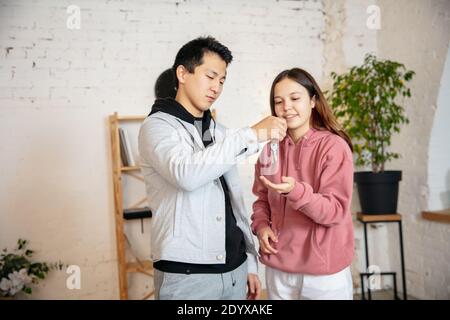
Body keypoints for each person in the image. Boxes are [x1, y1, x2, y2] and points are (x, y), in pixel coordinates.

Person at [138, 36, 287, 300]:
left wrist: (250, 263)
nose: (216, 87)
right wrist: (251, 133)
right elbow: (186, 174)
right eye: (211, 76)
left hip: (235, 270)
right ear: (182, 73)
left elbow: (234, 202)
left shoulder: (218, 131)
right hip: (188, 277)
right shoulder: (157, 127)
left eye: (222, 80)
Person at [251, 68, 355, 300]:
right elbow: (262, 200)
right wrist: (261, 226)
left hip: (324, 274)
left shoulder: (334, 147)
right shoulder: (270, 150)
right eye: (279, 101)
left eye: (295, 98)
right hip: (279, 268)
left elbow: (334, 211)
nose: (286, 107)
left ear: (313, 101)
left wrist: (296, 191)